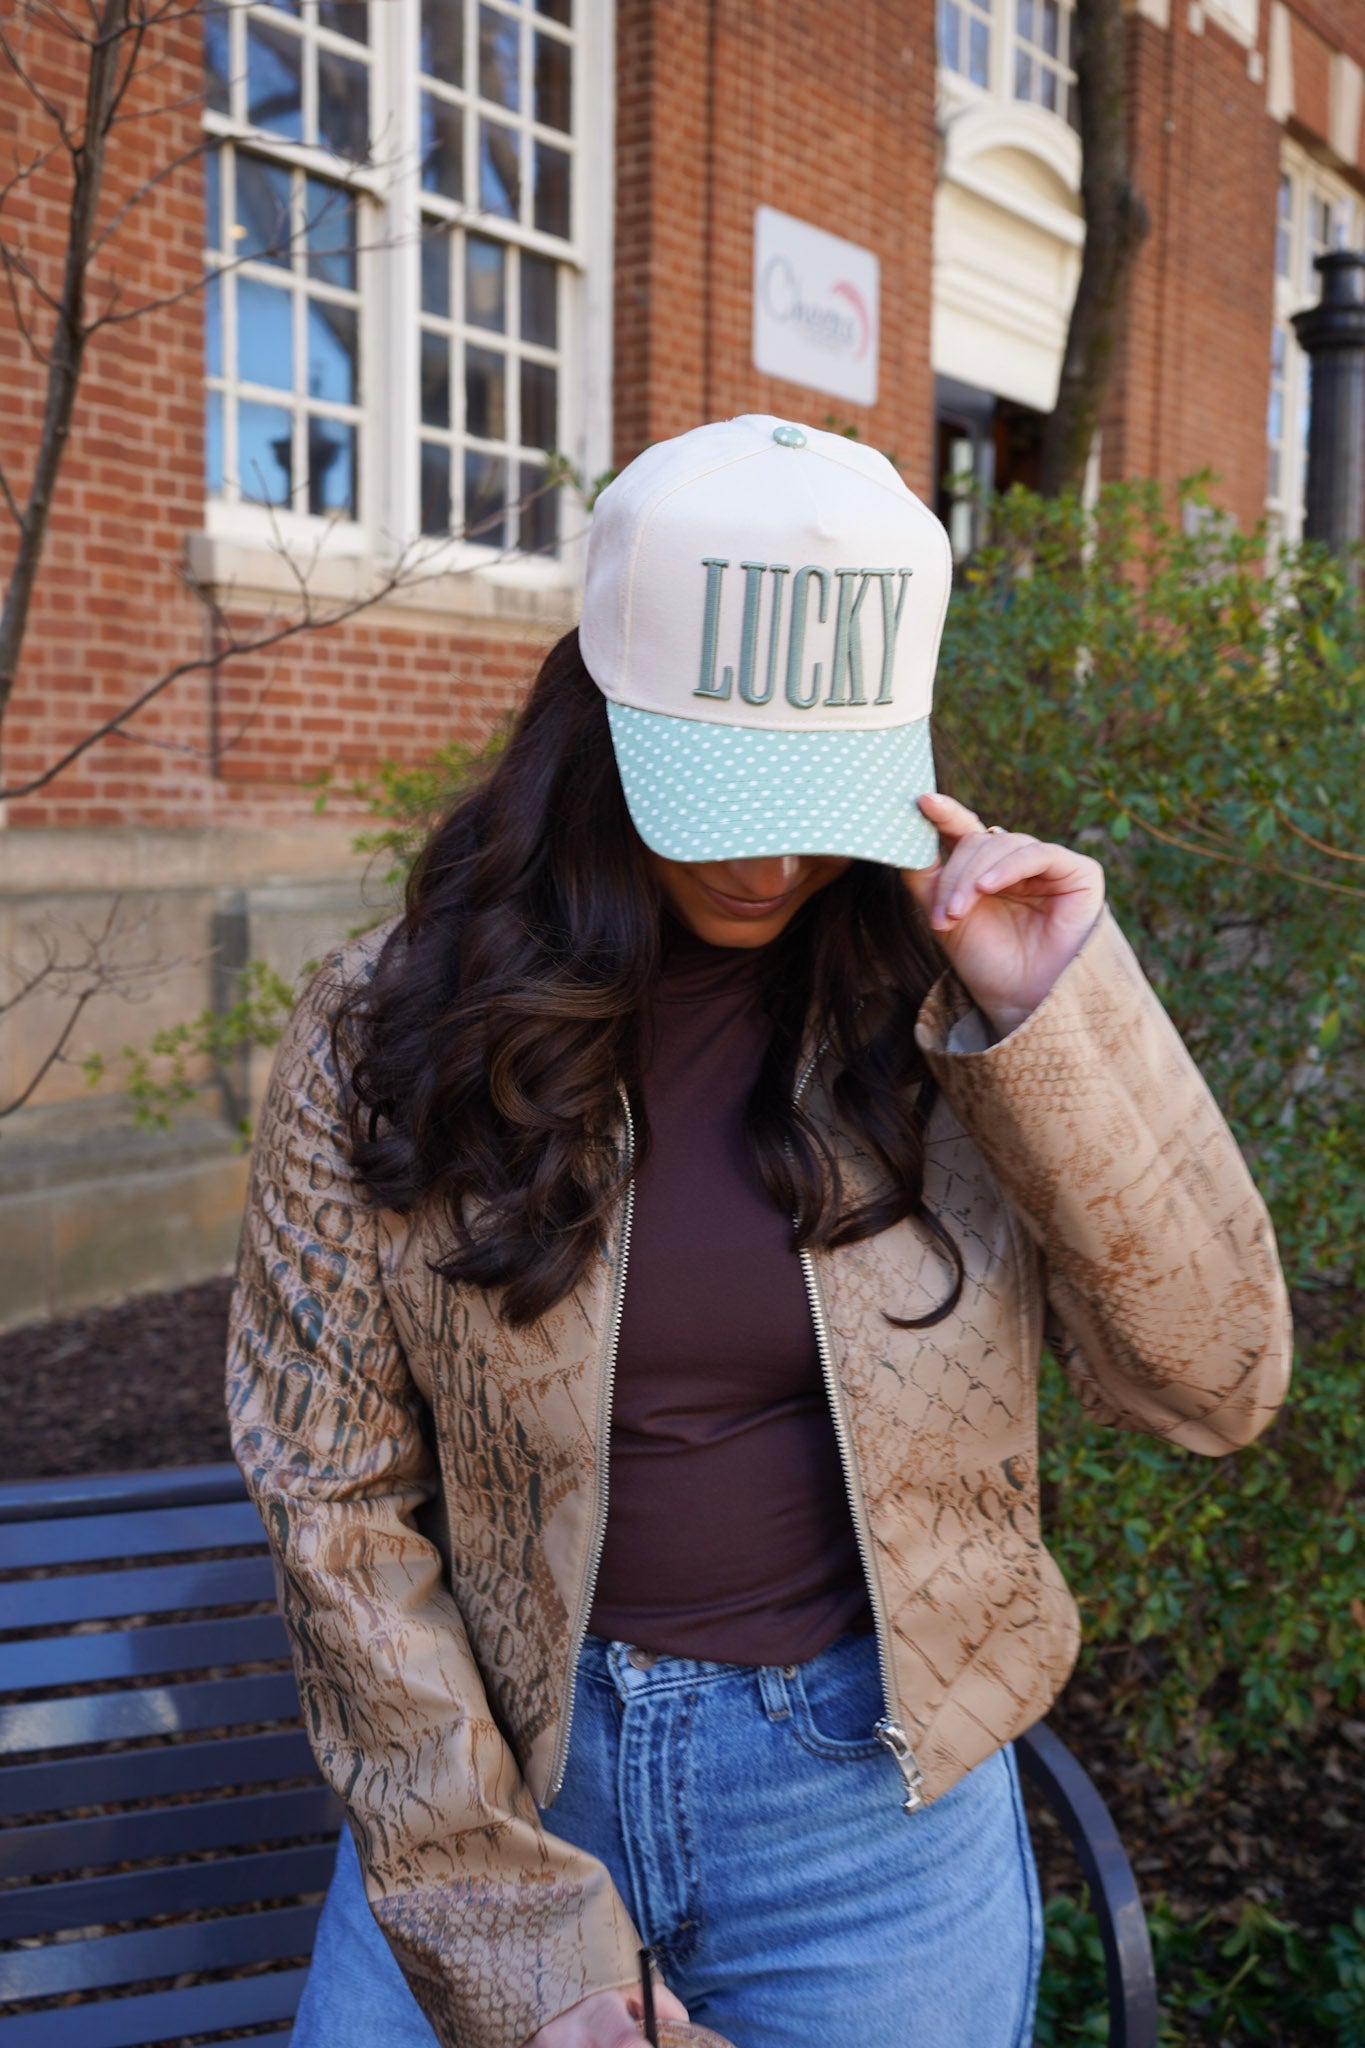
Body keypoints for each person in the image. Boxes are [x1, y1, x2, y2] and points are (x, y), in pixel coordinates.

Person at [226, 416, 1292, 2048]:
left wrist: (1057, 1027)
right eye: (718, 788)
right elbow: (331, 1500)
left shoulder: (956, 1004)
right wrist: (513, 1926)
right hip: (507, 1780)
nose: (775, 854)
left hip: (870, 1809)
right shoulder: (389, 1029)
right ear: (594, 724)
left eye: (817, 791)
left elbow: (1213, 1384)